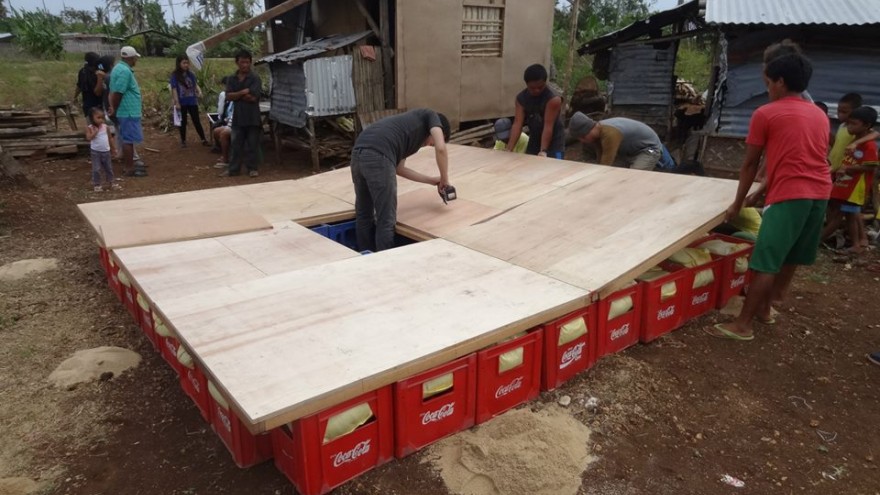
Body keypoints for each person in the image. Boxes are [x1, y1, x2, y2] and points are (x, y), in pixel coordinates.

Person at [707, 48, 831, 341]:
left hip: (791, 194)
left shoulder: (766, 113)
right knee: (790, 256)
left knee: (765, 259)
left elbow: (750, 164)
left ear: (780, 82)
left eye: (768, 83)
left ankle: (743, 325)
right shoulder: (819, 115)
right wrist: (761, 193)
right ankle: (766, 310)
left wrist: (737, 204)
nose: (767, 89)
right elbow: (801, 159)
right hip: (820, 191)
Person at [351, 108, 451, 252]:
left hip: (357, 154)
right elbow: (441, 149)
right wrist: (444, 179)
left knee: (364, 213)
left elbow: (400, 169)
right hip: (379, 155)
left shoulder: (405, 132)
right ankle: (386, 262)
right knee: (386, 218)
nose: (431, 145)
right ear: (439, 130)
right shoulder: (431, 115)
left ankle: (365, 255)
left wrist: (432, 181)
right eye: (432, 142)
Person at [823, 106, 878, 254]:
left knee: (841, 215)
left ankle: (817, 240)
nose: (849, 127)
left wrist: (848, 169)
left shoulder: (869, 146)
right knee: (848, 215)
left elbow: (871, 167)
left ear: (866, 126)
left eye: (853, 124)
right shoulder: (854, 140)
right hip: (846, 183)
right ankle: (856, 244)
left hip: (855, 187)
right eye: (849, 123)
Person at [568, 112, 664, 170]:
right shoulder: (598, 133)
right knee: (618, 173)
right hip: (631, 151)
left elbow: (606, 164)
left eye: (582, 138)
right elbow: (600, 159)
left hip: (649, 149)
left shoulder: (610, 134)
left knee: (633, 176)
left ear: (587, 131)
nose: (583, 141)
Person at [506, 64, 564, 158]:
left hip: (555, 141)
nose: (537, 90)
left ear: (545, 82)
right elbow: (517, 123)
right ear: (526, 84)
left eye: (540, 87)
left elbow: (548, 126)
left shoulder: (553, 99)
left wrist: (543, 150)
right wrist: (509, 148)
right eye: (532, 88)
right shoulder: (521, 98)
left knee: (556, 167)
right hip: (535, 138)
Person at [222, 50, 262, 178]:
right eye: (242, 62)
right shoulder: (231, 79)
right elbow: (228, 96)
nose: (245, 65)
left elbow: (253, 98)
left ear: (250, 63)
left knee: (252, 144)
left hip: (252, 117)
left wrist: (236, 95)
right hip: (238, 117)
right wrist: (243, 92)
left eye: (247, 62)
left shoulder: (255, 78)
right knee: (235, 145)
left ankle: (252, 168)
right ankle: (233, 169)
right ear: (237, 63)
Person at [108, 46, 147, 177]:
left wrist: (114, 107)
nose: (136, 59)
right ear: (130, 58)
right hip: (128, 111)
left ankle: (129, 165)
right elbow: (118, 92)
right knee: (128, 140)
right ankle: (129, 168)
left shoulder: (118, 68)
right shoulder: (124, 71)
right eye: (135, 57)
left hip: (127, 110)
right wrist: (115, 107)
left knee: (127, 138)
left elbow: (114, 91)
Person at [170, 55, 209, 148]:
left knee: (196, 120)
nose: (186, 65)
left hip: (192, 101)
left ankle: (203, 139)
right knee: (183, 122)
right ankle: (183, 141)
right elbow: (174, 89)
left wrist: (199, 92)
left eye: (187, 63)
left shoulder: (191, 74)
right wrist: (177, 102)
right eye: (184, 63)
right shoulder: (175, 76)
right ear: (179, 64)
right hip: (182, 102)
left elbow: (195, 85)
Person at [85, 107, 119, 192]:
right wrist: (95, 132)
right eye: (98, 118)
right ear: (92, 118)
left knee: (108, 168)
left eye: (102, 118)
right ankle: (97, 184)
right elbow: (88, 138)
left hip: (106, 151)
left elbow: (110, 138)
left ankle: (111, 182)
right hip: (95, 151)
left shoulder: (105, 127)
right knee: (96, 169)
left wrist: (113, 148)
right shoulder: (89, 128)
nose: (101, 120)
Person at [73, 52, 102, 125]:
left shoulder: (82, 71)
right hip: (99, 101)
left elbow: (79, 86)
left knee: (91, 125)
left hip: (87, 103)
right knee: (101, 125)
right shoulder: (100, 70)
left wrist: (75, 97)